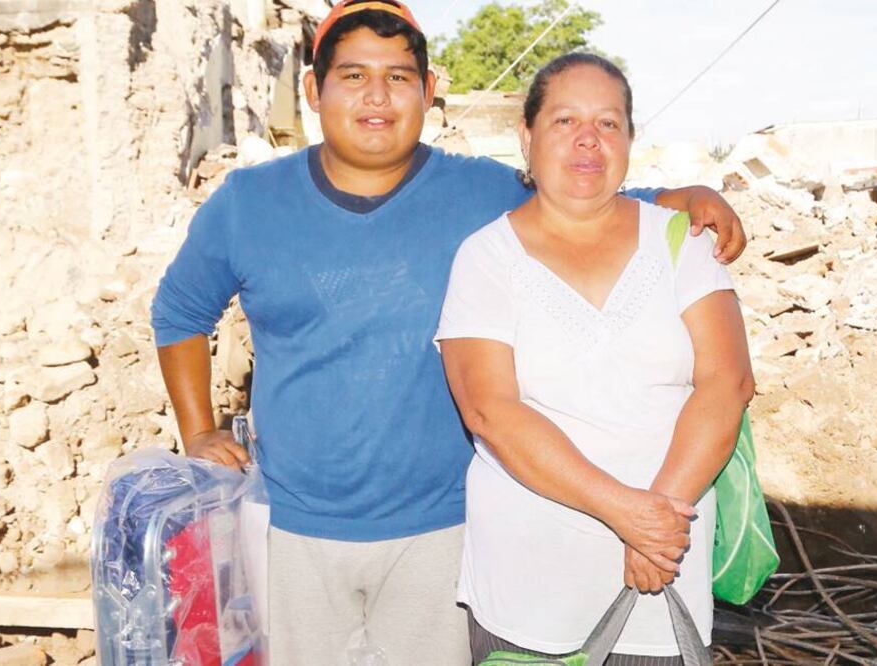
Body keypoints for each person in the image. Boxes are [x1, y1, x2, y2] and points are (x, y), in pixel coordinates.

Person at [150, 2, 747, 664]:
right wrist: (198, 429)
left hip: (441, 528)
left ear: (429, 93)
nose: (377, 96)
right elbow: (179, 312)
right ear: (313, 91)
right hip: (296, 526)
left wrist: (682, 194)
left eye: (399, 77)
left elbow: (582, 190)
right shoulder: (247, 203)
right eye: (352, 76)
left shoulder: (478, 192)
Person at [436, 53, 755, 664]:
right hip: (530, 585)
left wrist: (658, 520)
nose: (588, 139)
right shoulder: (486, 258)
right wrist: (626, 512)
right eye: (564, 121)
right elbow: (489, 410)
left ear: (632, 139)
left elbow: (728, 382)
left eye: (609, 123)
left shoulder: (681, 242)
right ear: (526, 136)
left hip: (663, 571)